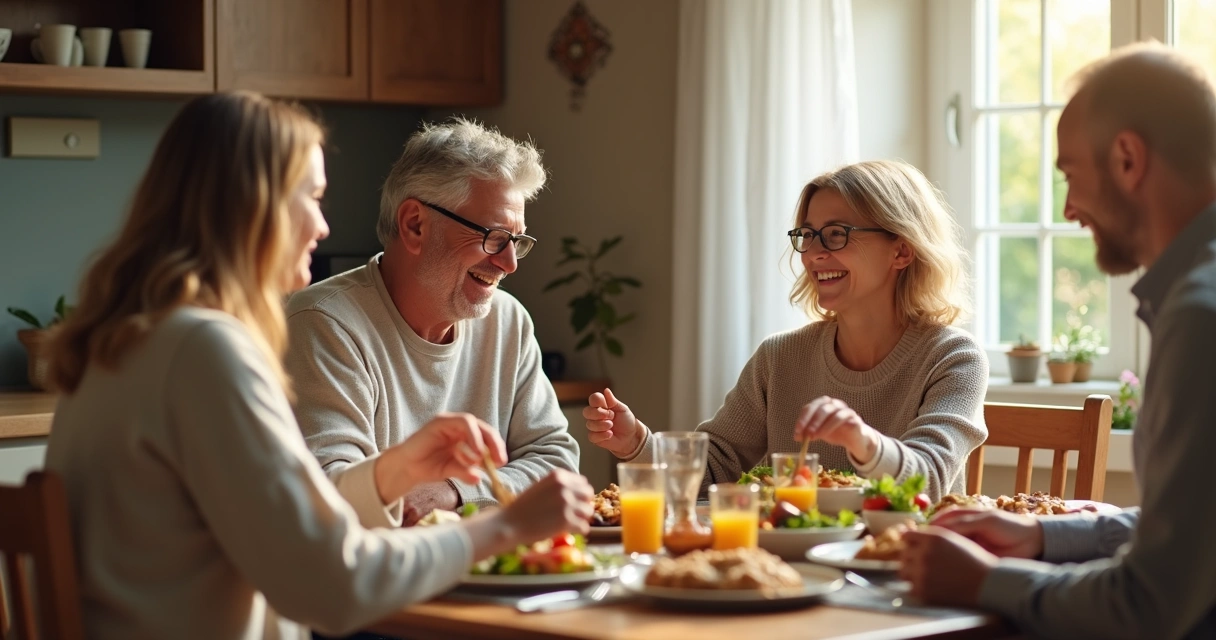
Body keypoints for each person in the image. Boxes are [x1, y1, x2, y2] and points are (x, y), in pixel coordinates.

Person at [42, 92, 593, 639]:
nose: (323, 227)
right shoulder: (205, 352)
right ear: (252, 206)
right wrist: (505, 526)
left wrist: (393, 472)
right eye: (312, 196)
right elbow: (334, 584)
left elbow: (295, 528)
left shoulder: (133, 340)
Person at [901, 42, 1216, 639]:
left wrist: (983, 582)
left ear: (1127, 158)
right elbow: (1196, 530)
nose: (1069, 209)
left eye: (1071, 175)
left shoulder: (1201, 316)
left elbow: (1149, 603)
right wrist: (1043, 534)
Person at [584, 160, 988, 501]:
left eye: (836, 234)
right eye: (808, 236)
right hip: (791, 567)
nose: (813, 253)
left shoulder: (954, 359)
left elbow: (929, 482)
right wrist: (637, 443)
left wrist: (860, 439)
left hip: (903, 573)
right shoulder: (779, 358)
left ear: (901, 250)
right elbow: (715, 470)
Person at [285, 118, 579, 527]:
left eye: (517, 241)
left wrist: (455, 493)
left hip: (486, 570)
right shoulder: (325, 325)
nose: (509, 264)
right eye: (494, 236)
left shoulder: (508, 321)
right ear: (415, 225)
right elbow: (332, 498)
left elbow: (556, 460)